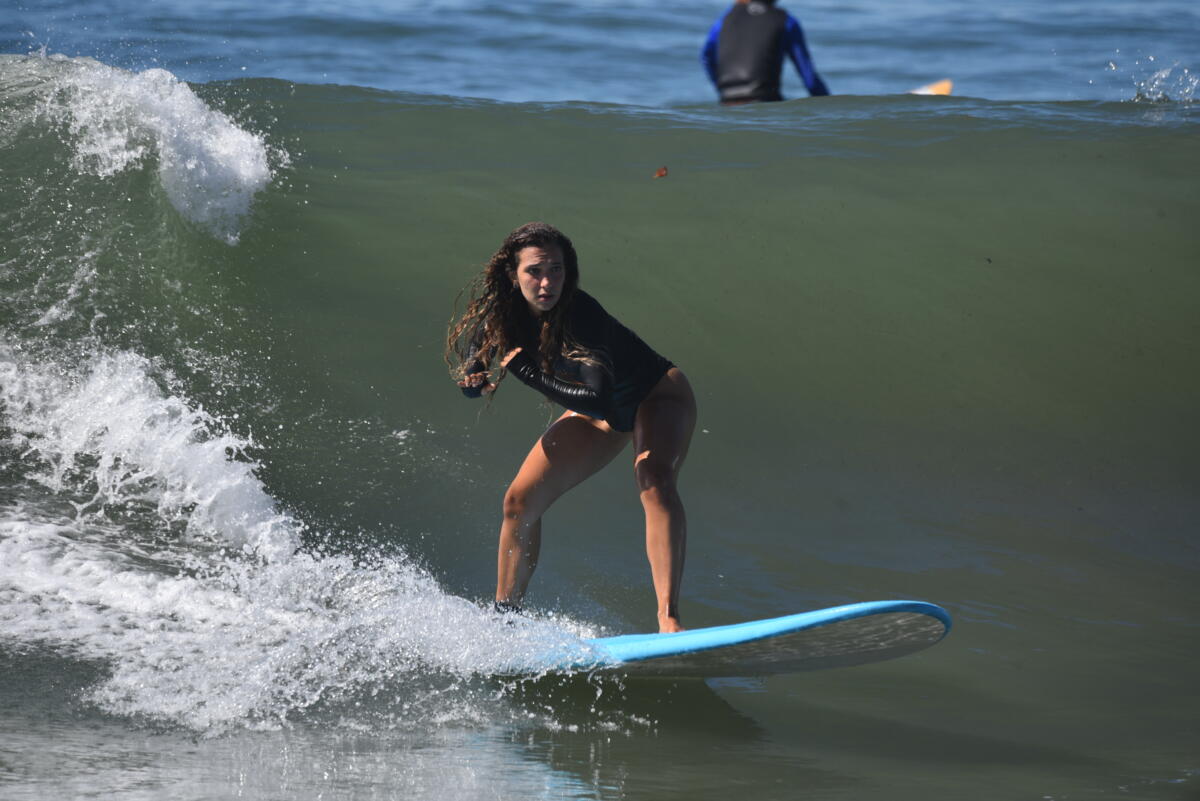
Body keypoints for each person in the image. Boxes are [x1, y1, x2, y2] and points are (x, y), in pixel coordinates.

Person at [445, 222, 697, 633]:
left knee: (653, 478)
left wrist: (527, 373)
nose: (547, 282)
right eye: (535, 271)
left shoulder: (582, 316)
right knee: (519, 501)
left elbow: (596, 396)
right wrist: (473, 376)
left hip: (656, 396)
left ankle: (668, 619)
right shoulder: (503, 310)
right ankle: (505, 621)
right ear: (513, 275)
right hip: (602, 415)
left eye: (557, 270)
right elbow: (479, 345)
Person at [701, 0, 830, 104]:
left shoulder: (723, 20)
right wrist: (827, 107)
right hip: (764, 102)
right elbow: (809, 78)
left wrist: (723, 87)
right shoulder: (786, 21)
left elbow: (706, 57)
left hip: (728, 102)